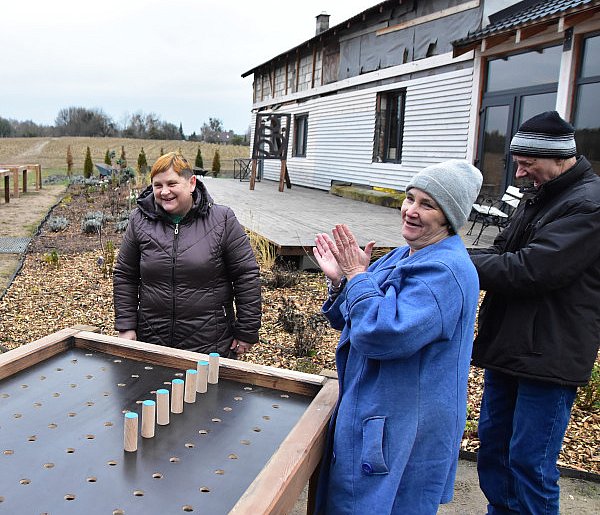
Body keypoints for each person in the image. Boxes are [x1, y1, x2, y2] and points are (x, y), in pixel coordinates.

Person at [312, 160, 483, 514]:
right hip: (376, 410)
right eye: (409, 198)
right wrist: (343, 281)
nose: (411, 211)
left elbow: (382, 334)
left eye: (427, 204)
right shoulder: (403, 255)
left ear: (448, 217)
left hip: (401, 423)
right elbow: (352, 318)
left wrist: (357, 274)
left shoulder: (445, 272)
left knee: (379, 505)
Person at [469, 111, 600, 514]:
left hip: (549, 353)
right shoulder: (541, 196)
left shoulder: (588, 205)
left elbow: (532, 270)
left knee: (530, 463)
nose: (521, 173)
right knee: (494, 450)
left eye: (527, 163)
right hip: (510, 345)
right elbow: (500, 252)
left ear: (559, 158)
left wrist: (451, 258)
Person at [113, 152, 261, 358]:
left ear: (191, 183)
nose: (164, 192)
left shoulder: (222, 220)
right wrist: (126, 326)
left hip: (210, 344)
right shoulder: (140, 220)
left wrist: (246, 330)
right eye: (158, 185)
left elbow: (246, 276)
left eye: (172, 184)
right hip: (152, 340)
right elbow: (125, 275)